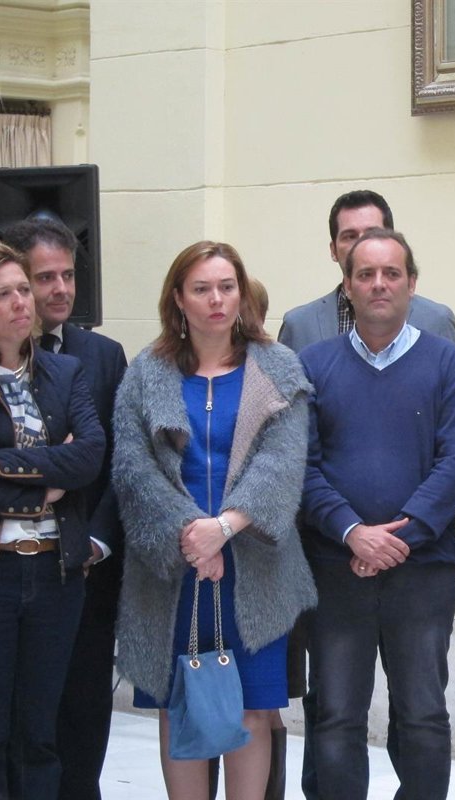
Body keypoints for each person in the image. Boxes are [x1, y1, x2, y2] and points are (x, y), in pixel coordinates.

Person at [112, 241, 317, 799]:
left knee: (251, 707)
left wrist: (223, 528)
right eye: (201, 289)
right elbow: (132, 469)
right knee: (178, 702)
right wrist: (191, 535)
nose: (216, 300)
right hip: (171, 572)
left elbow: (281, 464)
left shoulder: (277, 366)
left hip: (254, 567)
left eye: (227, 287)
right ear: (178, 299)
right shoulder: (146, 373)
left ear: (242, 293)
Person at [300, 227, 455, 800]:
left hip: (421, 573)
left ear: (411, 283)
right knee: (335, 717)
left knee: (423, 715)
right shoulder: (313, 364)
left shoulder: (445, 362)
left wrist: (398, 538)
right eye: (366, 274)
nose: (379, 284)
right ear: (347, 286)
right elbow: (302, 466)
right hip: (336, 570)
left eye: (391, 273)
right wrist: (352, 532)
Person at [0, 240, 106, 800]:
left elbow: (89, 455)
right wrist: (43, 490)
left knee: (40, 733)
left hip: (56, 574)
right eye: (4, 294)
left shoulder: (64, 372)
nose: (22, 302)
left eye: (23, 290)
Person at [0, 217, 129, 800]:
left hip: (86, 567)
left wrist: (98, 541)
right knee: (18, 720)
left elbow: (119, 461)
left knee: (83, 712)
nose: (60, 289)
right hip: (4, 567)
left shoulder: (102, 355)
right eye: (44, 277)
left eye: (68, 276)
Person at [278, 189, 455, 350]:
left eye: (373, 234)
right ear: (333, 250)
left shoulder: (437, 321)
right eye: (350, 236)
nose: (362, 244)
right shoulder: (299, 325)